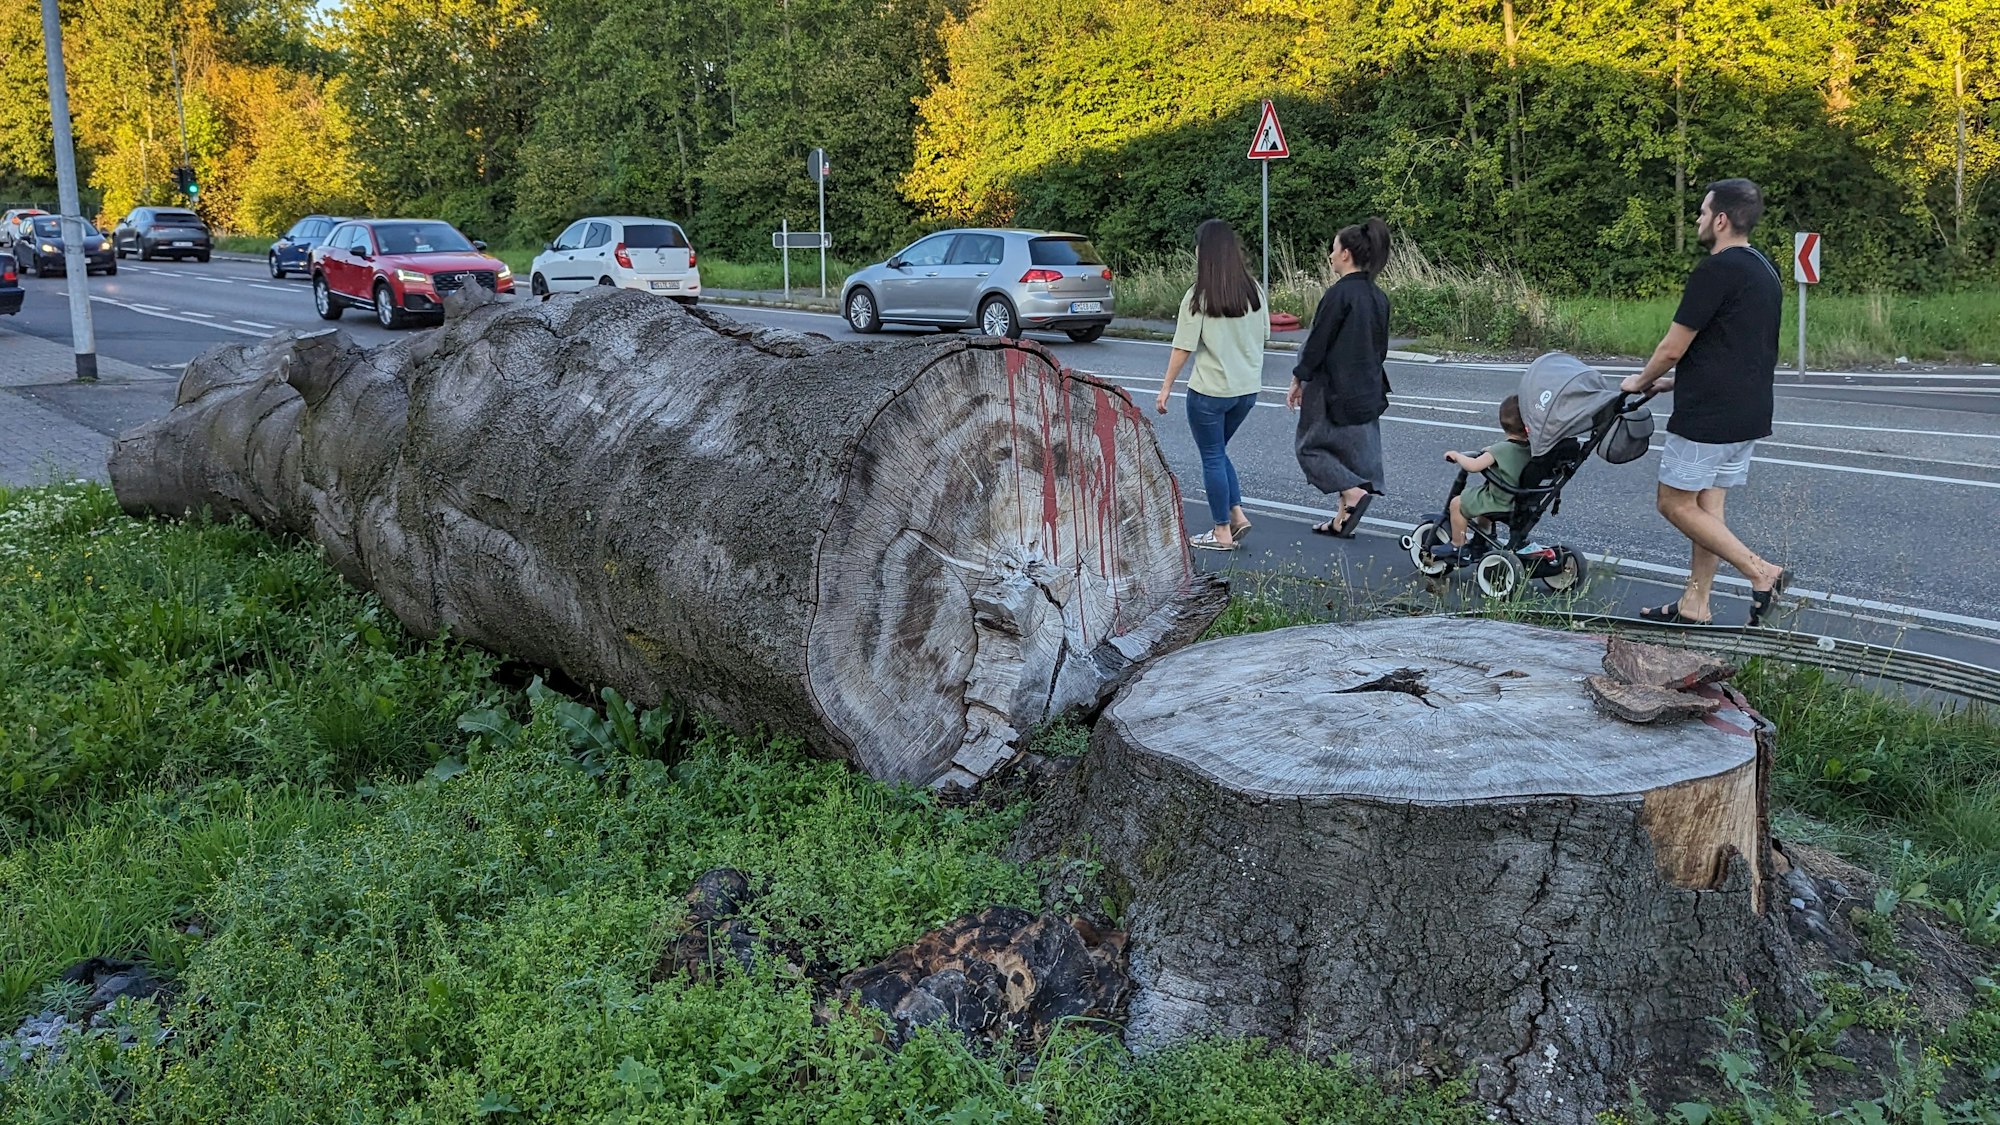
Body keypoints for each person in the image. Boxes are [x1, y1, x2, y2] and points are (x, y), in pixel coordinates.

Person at [1620, 178, 1792, 626]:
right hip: (1750, 412)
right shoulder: (1764, 269)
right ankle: (1695, 604)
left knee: (1673, 503)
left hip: (1709, 418)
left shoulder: (1715, 270)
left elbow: (1672, 346)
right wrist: (1673, 384)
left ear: (1720, 219)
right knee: (1707, 509)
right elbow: (1737, 348)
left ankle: (1760, 571)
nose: (1697, 219)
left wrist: (1640, 380)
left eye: (1702, 212)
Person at [1155, 218, 1271, 551]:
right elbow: (1264, 334)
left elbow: (1183, 347)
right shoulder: (1254, 292)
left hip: (1209, 393)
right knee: (1218, 452)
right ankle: (1236, 514)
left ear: (1203, 253)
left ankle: (1221, 531)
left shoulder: (1198, 296)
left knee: (1212, 456)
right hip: (1247, 391)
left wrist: (1165, 388)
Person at [1287, 218, 1391, 537]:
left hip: (1331, 388)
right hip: (1369, 388)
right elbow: (1381, 347)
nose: (1330, 256)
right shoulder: (1378, 297)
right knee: (1348, 453)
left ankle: (1352, 491)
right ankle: (1341, 518)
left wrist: (1298, 379)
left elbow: (1319, 342)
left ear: (1346, 254)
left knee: (1311, 448)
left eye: (1333, 250)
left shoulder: (1338, 295)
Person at [1431, 395, 1530, 564]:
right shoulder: (1531, 449)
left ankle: (1458, 545)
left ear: (1502, 423)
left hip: (1499, 500)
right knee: (1481, 508)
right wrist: (1491, 450)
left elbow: (1474, 465)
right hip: (1521, 502)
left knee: (1457, 503)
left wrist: (1457, 456)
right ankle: (1481, 541)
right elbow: (1510, 453)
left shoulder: (1501, 449)